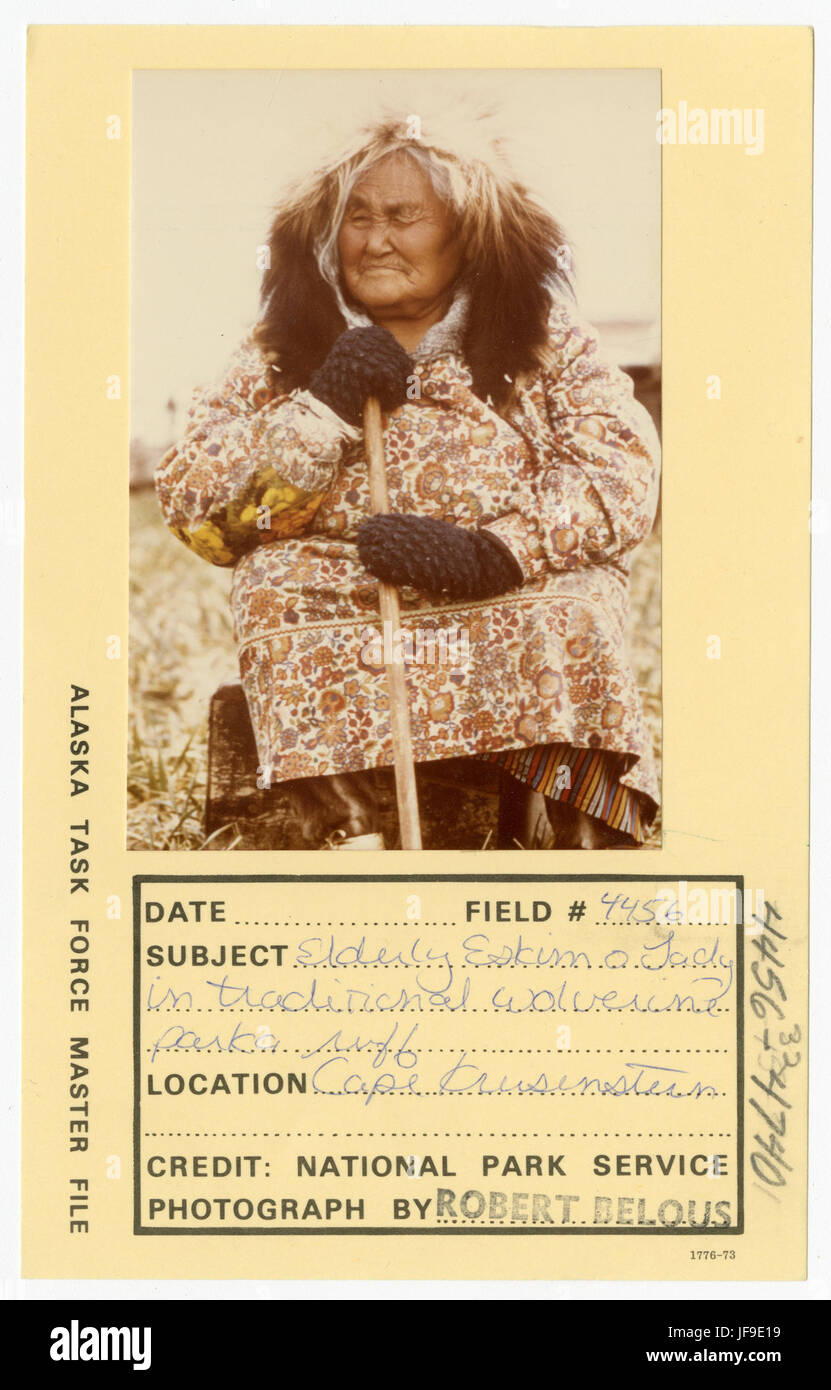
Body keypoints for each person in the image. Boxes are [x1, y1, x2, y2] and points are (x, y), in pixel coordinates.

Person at [155, 106, 661, 849]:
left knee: (575, 603)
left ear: (466, 234)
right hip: (350, 586)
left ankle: (558, 831)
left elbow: (619, 471)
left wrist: (493, 552)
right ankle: (349, 831)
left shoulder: (541, 340)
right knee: (274, 585)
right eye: (355, 218)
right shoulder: (278, 350)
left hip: (507, 580)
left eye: (403, 217)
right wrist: (319, 407)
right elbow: (197, 507)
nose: (375, 239)